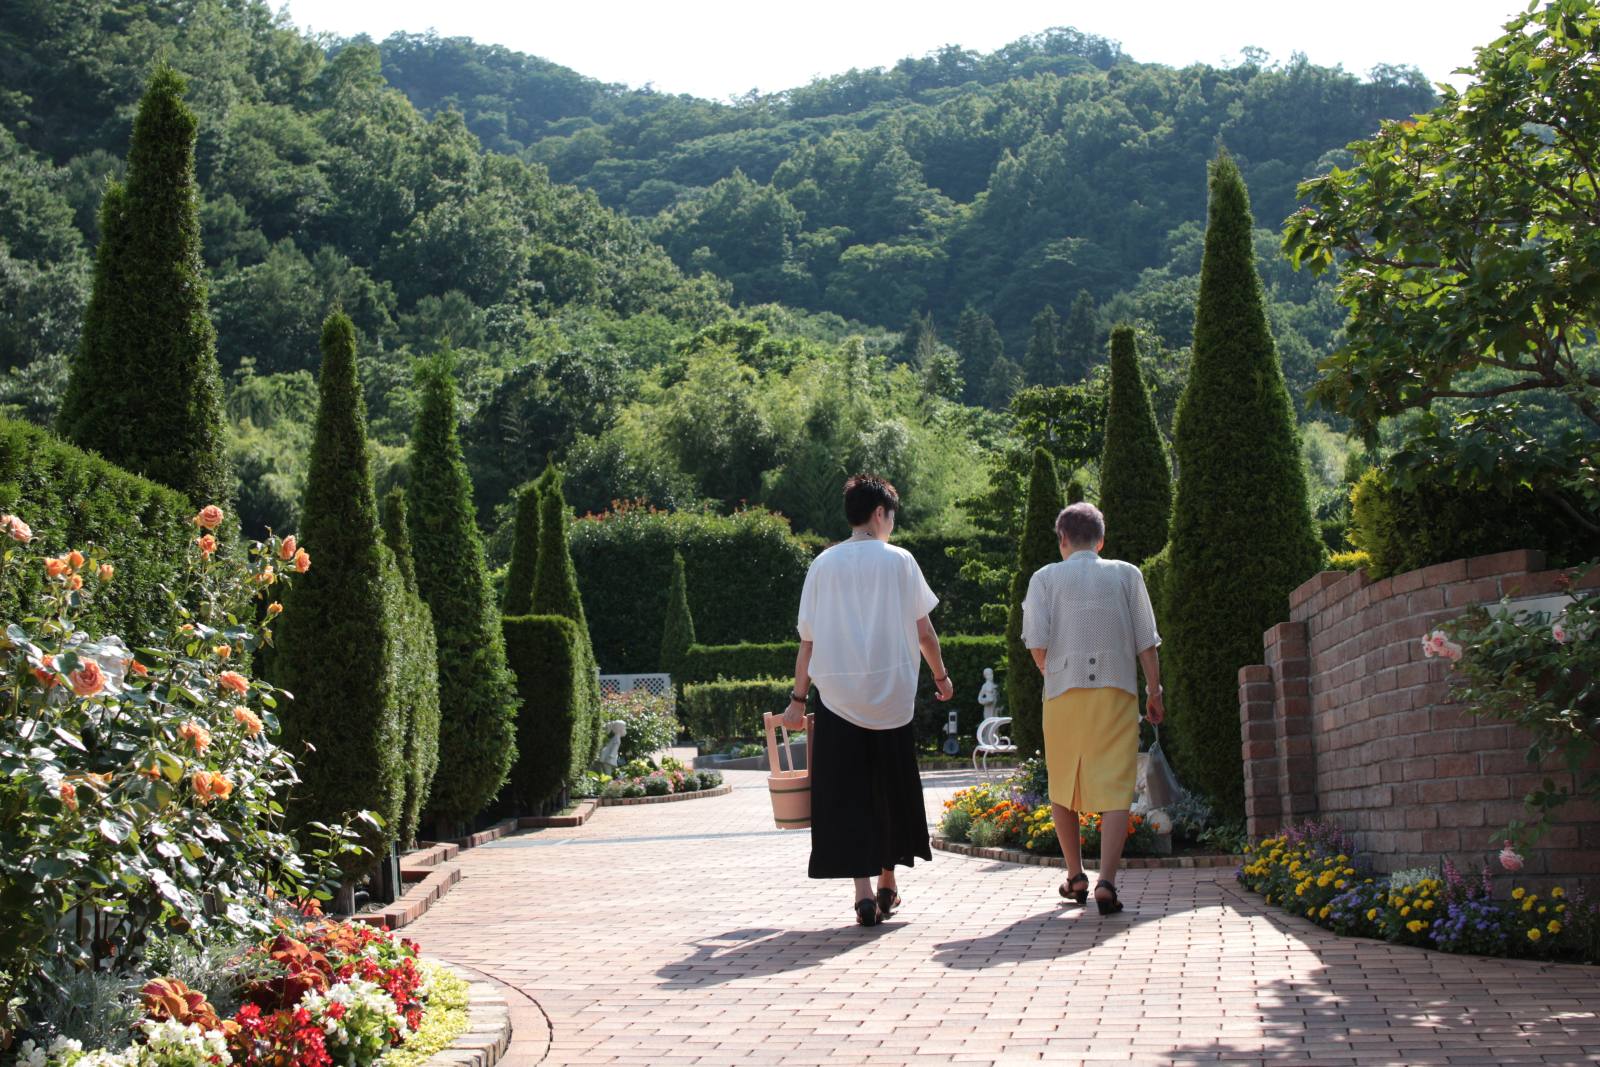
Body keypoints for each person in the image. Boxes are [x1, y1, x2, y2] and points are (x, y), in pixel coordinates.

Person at [784, 473, 953, 927]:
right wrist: (941, 676)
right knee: (888, 791)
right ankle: (887, 881)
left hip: (838, 701)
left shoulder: (823, 564)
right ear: (880, 513)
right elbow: (924, 633)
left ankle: (861, 892)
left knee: (848, 795)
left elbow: (808, 642)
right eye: (891, 516)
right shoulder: (900, 561)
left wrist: (798, 700)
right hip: (892, 702)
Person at [1021, 502, 1164, 915]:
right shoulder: (1126, 573)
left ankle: (1075, 874)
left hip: (1063, 691)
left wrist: (1051, 669)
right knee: (1117, 784)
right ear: (1101, 540)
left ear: (1062, 539)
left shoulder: (1045, 577)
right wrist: (1154, 691)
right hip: (1117, 687)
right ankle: (1107, 881)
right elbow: (1146, 640)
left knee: (1063, 780)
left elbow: (1036, 640)